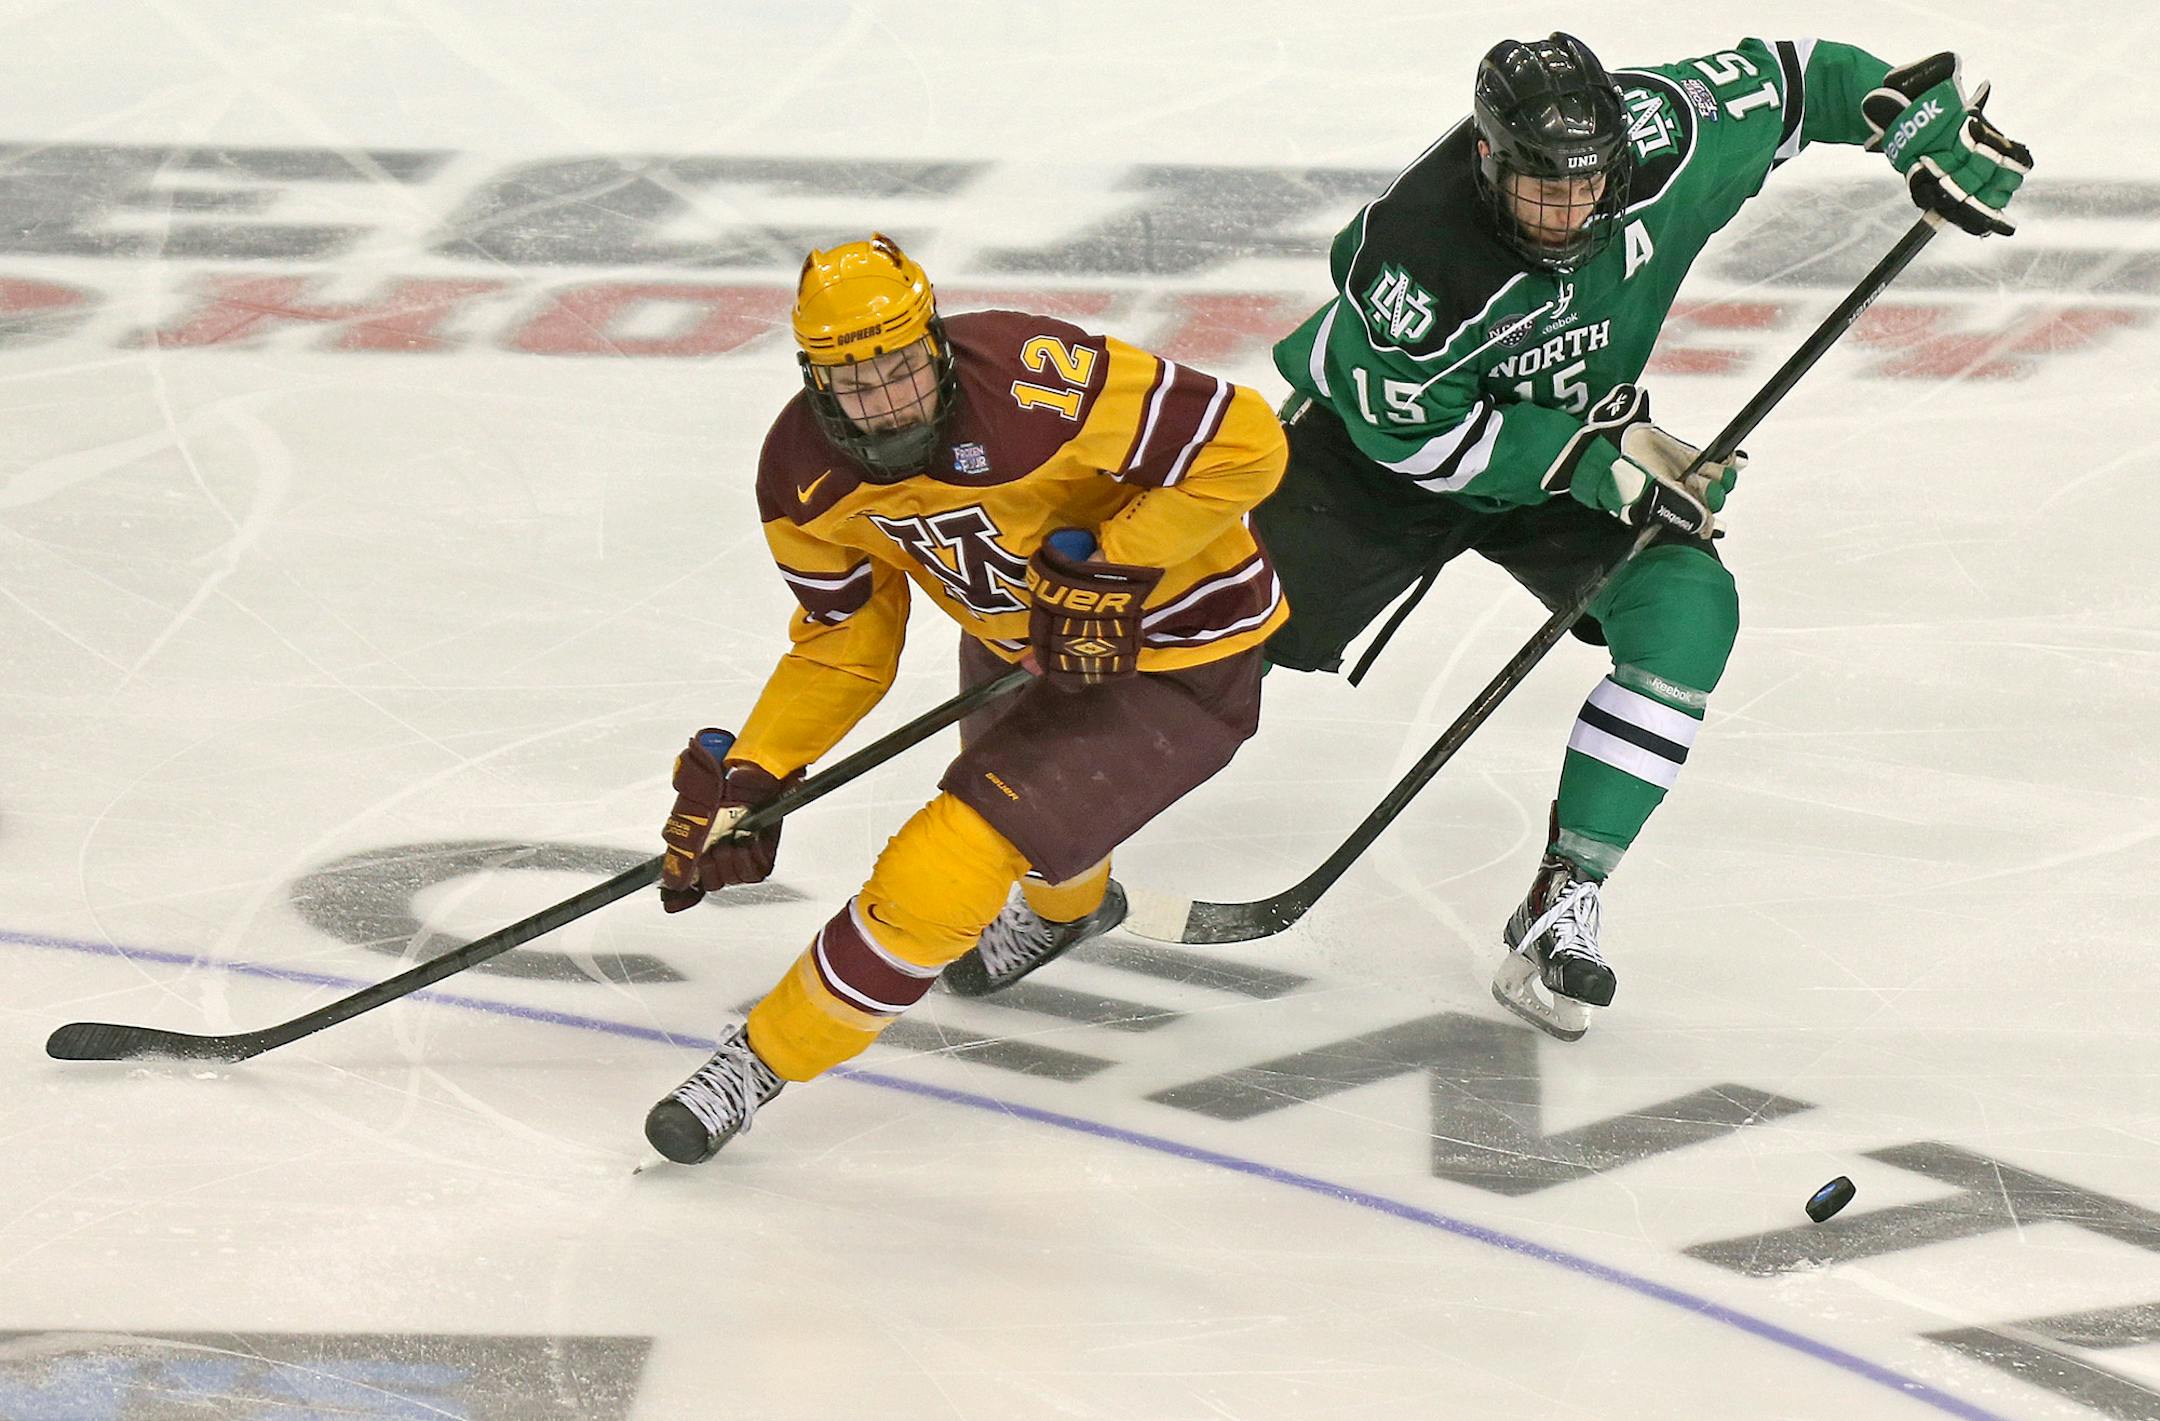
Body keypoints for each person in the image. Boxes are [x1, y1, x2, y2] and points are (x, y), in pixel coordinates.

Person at [1249, 35, 2030, 1040]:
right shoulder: (1419, 254)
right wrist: (1596, 464)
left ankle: (1562, 896)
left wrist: (1920, 127)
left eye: (1590, 187)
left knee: (1688, 610)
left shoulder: (1665, 135)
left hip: (1574, 449)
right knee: (1209, 634)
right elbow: (1410, 429)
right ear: (1490, 159)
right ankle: (1033, 834)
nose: (1572, 213)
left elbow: (1804, 82)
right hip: (1377, 463)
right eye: (1543, 190)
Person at [643, 234, 1289, 1162]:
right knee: (1037, 831)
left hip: (1178, 651)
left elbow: (1245, 442)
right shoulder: (800, 478)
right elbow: (844, 640)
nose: (889, 398)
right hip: (1013, 648)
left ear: (936, 343)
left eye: (903, 367)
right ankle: (1072, 913)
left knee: (952, 859)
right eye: (858, 383)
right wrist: (759, 769)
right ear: (814, 380)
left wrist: (1110, 565)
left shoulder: (1036, 381)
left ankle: (759, 1061)